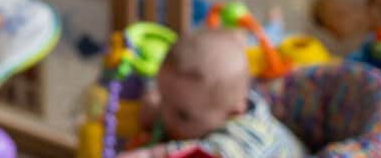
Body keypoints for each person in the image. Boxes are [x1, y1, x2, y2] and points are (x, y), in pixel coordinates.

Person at [125, 29, 306, 158]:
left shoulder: (249, 138)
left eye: (183, 115)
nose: (165, 117)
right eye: (164, 97)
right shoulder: (204, 102)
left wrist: (150, 154)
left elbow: (208, 153)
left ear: (233, 113)